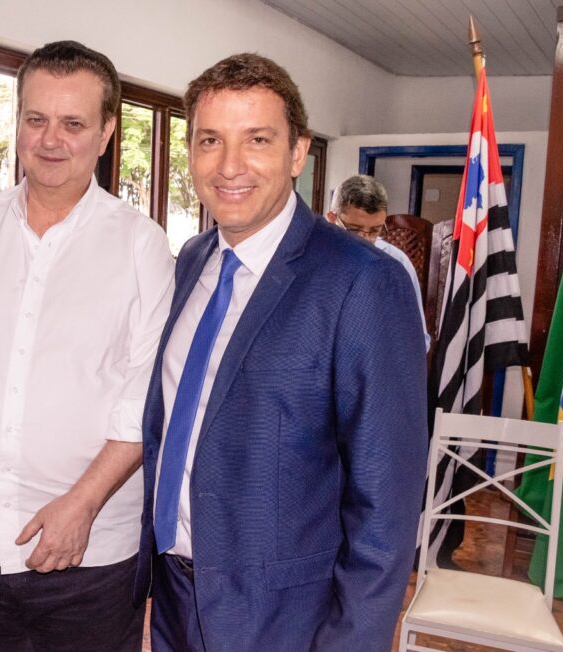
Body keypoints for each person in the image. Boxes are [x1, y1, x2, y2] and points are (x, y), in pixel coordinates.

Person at [136, 53, 428, 650]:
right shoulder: (192, 259)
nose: (229, 165)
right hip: (173, 596)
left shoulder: (362, 281)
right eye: (210, 140)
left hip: (287, 618)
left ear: (298, 153)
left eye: (257, 139)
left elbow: (386, 504)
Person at [0, 41, 174, 651]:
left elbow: (146, 397)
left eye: (73, 124)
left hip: (93, 551)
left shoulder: (140, 245)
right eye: (36, 118)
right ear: (17, 120)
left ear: (106, 133)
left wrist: (83, 504)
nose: (50, 140)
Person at [327, 174, 431, 350]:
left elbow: (417, 339)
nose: (366, 240)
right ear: (331, 219)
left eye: (375, 230)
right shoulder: (310, 258)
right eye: (355, 230)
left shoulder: (397, 264)